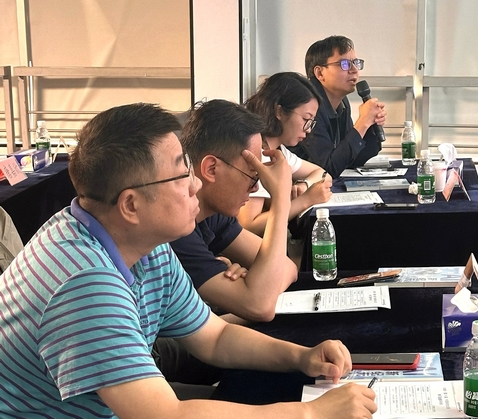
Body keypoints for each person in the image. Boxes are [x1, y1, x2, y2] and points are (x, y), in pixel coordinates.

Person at [0, 103, 377, 418]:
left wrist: (303, 357)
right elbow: (168, 415)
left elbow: (215, 337)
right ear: (131, 205)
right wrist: (311, 413)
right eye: (181, 176)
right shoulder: (85, 284)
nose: (196, 184)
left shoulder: (143, 242)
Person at [170, 99, 297, 322]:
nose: (255, 188)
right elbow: (259, 305)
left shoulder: (212, 213)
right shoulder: (174, 229)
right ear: (211, 168)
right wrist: (280, 199)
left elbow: (288, 268)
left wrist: (258, 285)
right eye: (252, 176)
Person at [241, 71, 333, 237]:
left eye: (311, 122)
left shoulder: (279, 151)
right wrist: (306, 200)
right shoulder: (258, 153)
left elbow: (323, 174)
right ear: (280, 112)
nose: (308, 129)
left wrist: (304, 185)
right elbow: (249, 225)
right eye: (305, 119)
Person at [288, 35, 387, 178]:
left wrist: (370, 125)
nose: (354, 70)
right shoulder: (308, 105)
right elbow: (327, 169)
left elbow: (351, 159)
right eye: (344, 64)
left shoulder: (342, 102)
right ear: (320, 73)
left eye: (356, 63)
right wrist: (362, 122)